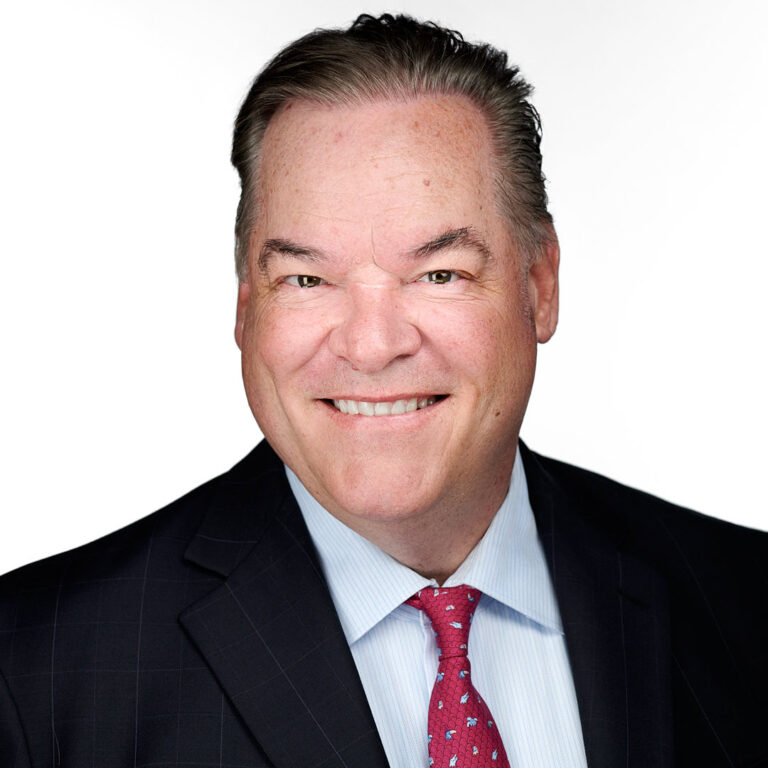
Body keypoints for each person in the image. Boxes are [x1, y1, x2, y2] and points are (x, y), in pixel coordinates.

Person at [1, 13, 765, 768]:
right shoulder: (35, 670)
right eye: (306, 279)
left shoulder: (744, 600)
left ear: (540, 286)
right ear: (246, 305)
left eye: (439, 274)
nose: (370, 346)